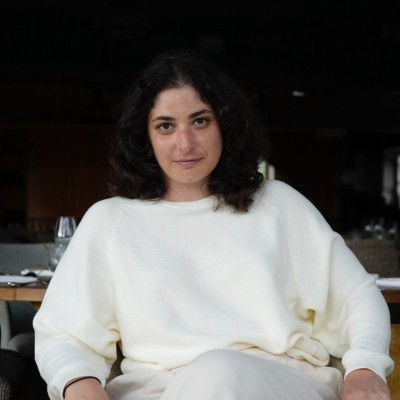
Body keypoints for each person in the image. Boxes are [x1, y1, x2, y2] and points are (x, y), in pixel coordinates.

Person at [33, 48, 394, 400]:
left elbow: (357, 297)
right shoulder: (110, 221)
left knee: (218, 369)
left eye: (200, 121)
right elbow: (64, 332)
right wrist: (78, 382)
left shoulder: (279, 204)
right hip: (160, 390)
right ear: (145, 138)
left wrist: (366, 368)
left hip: (279, 382)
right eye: (165, 126)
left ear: (225, 126)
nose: (185, 143)